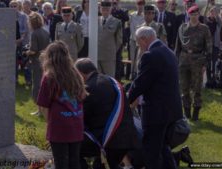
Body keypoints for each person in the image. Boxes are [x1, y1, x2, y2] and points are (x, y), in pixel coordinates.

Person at [128, 26, 183, 169]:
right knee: (163, 147)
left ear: (144, 39)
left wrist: (124, 100)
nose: (138, 46)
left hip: (156, 112)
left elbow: (140, 84)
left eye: (137, 42)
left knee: (151, 150)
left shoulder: (150, 55)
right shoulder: (167, 51)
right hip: (171, 110)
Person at [75, 58, 138, 169]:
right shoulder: (112, 81)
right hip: (128, 136)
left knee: (72, 149)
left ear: (80, 74)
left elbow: (81, 118)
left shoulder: (89, 88)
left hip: (110, 140)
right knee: (103, 165)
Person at [36, 41, 87, 169]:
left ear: (49, 58)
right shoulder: (76, 74)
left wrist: (50, 123)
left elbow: (43, 105)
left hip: (59, 126)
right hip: (76, 122)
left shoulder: (49, 77)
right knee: (75, 161)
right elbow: (83, 96)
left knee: (61, 162)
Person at [175, 5, 212, 121]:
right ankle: (186, 113)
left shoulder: (204, 28)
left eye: (196, 14)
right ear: (188, 14)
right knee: (184, 87)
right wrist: (176, 61)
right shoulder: (182, 28)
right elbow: (178, 47)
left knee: (197, 88)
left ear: (199, 15)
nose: (194, 17)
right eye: (192, 15)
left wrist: (205, 64)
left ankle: (196, 113)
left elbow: (209, 48)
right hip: (183, 60)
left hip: (198, 60)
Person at [25, 12, 50, 116]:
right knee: (43, 84)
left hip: (36, 62)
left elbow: (34, 50)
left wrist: (26, 52)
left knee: (37, 86)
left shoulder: (34, 33)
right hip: (45, 61)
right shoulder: (45, 32)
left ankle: (40, 110)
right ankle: (41, 110)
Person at [98, 0, 122, 77]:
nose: (105, 11)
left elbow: (119, 40)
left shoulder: (116, 22)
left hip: (109, 56)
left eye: (107, 9)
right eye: (103, 9)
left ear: (110, 9)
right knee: (98, 78)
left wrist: (112, 50)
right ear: (100, 9)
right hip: (97, 54)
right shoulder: (95, 20)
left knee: (109, 78)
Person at [129, 0, 145, 79]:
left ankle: (139, 74)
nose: (140, 6)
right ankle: (132, 74)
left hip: (141, 40)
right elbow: (130, 27)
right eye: (139, 4)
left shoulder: (145, 16)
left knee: (140, 58)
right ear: (136, 5)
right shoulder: (131, 15)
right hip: (132, 40)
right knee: (132, 58)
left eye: (142, 4)